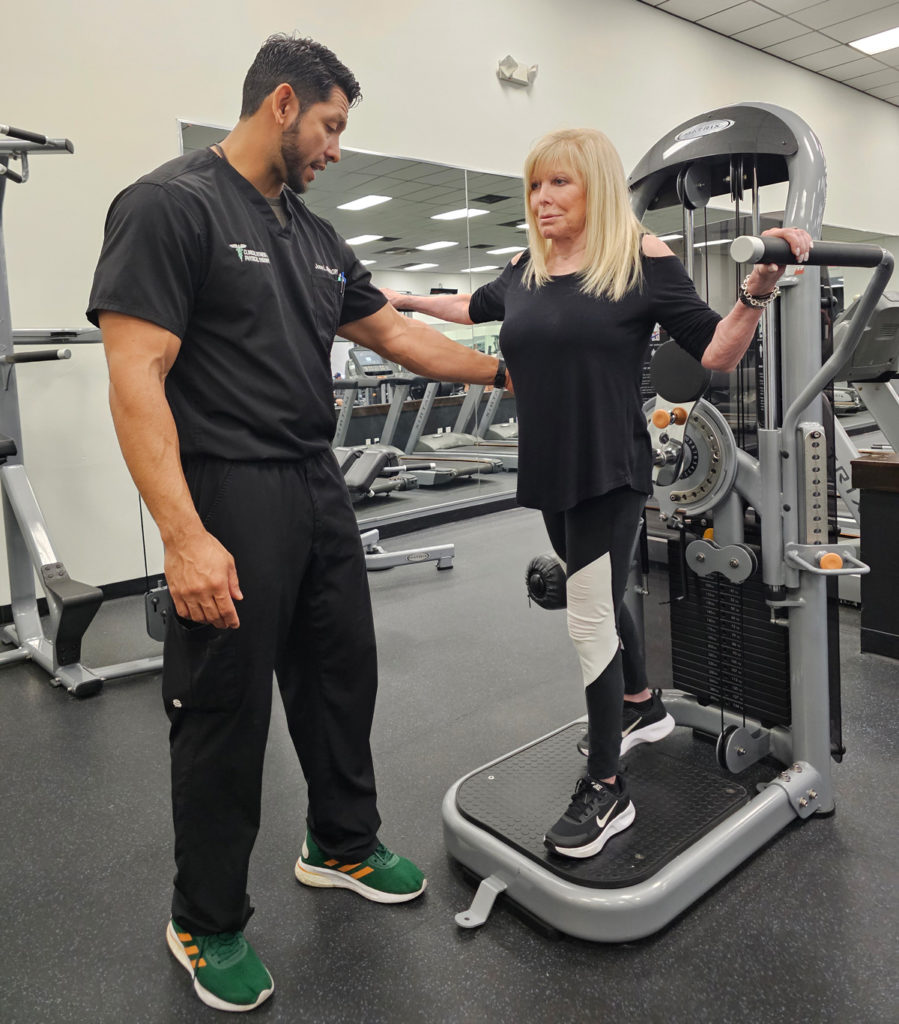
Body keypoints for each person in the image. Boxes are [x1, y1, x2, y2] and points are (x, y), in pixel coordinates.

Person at [87, 33, 511, 1014]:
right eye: (328, 126)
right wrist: (185, 535)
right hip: (224, 488)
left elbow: (395, 333)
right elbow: (134, 376)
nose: (331, 148)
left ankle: (341, 843)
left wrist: (503, 367)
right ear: (283, 104)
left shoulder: (314, 238)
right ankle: (206, 917)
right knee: (224, 712)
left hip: (316, 483)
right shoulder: (170, 206)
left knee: (337, 673)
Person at [384, 127, 811, 862]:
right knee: (604, 600)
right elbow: (471, 305)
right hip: (547, 467)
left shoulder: (638, 259)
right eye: (535, 185)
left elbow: (713, 353)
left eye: (560, 184)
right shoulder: (525, 265)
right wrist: (396, 299)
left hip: (609, 466)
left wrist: (758, 287)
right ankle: (641, 705)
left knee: (586, 620)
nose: (542, 199)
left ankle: (607, 786)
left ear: (595, 190)